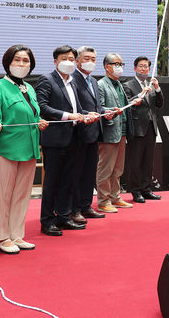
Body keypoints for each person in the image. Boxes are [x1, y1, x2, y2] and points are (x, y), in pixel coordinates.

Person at [0, 45, 48, 254]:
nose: (21, 64)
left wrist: (39, 121)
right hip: (5, 150)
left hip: (28, 150)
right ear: (8, 62)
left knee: (22, 194)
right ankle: (2, 238)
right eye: (17, 60)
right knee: (3, 196)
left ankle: (16, 235)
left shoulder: (29, 88)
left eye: (25, 60)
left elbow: (32, 114)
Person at [36, 45, 97, 236]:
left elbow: (76, 108)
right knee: (52, 182)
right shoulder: (47, 79)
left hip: (74, 138)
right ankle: (47, 220)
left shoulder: (72, 82)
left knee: (68, 180)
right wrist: (68, 116)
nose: (68, 62)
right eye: (64, 58)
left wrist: (87, 114)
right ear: (55, 61)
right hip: (55, 140)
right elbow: (42, 107)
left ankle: (63, 216)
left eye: (71, 59)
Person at [97, 53, 141, 213]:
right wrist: (111, 111)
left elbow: (123, 104)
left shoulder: (119, 84)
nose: (120, 67)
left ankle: (115, 197)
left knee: (117, 169)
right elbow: (99, 107)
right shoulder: (101, 84)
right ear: (106, 66)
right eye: (116, 64)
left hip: (121, 132)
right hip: (109, 132)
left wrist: (134, 101)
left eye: (121, 64)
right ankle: (103, 201)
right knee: (105, 169)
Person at [71, 46, 110, 221]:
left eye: (93, 59)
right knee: (77, 173)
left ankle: (86, 206)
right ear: (77, 61)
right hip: (78, 134)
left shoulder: (93, 81)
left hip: (94, 133)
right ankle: (75, 209)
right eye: (87, 58)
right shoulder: (72, 79)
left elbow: (97, 107)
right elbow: (73, 106)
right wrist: (86, 115)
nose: (91, 62)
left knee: (89, 173)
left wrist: (106, 111)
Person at [124, 56, 164, 203]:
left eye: (146, 66)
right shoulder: (127, 85)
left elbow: (160, 104)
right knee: (135, 162)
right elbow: (127, 104)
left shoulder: (151, 84)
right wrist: (141, 94)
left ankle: (146, 189)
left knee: (148, 161)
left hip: (151, 128)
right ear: (135, 68)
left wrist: (157, 89)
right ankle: (135, 191)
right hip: (136, 128)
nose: (144, 69)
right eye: (141, 66)